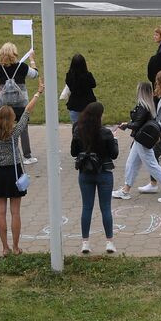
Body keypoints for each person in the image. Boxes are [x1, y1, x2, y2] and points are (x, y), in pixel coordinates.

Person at [0, 83, 43, 255]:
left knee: (0, 212)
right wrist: (38, 93)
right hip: (14, 172)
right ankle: (16, 247)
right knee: (15, 212)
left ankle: (4, 247)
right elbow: (27, 112)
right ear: (11, 119)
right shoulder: (15, 132)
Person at [71, 102, 119, 254]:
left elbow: (73, 152)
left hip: (85, 172)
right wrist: (115, 140)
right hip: (104, 172)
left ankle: (85, 242)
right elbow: (114, 154)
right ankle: (109, 242)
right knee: (106, 208)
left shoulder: (78, 131)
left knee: (87, 207)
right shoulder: (105, 133)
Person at [113, 81, 161, 203]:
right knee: (131, 163)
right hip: (141, 138)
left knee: (151, 164)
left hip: (142, 139)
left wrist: (126, 125)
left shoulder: (142, 106)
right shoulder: (148, 105)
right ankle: (125, 190)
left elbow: (137, 124)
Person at [0, 43, 39, 161]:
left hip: (3, 104)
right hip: (21, 105)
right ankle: (27, 156)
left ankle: (0, 152)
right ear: (15, 54)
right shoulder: (22, 66)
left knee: (2, 127)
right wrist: (32, 60)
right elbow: (35, 75)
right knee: (23, 129)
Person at [63, 53, 97, 126]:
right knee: (89, 129)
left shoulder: (69, 76)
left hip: (74, 105)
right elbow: (93, 85)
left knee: (76, 129)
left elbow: (69, 85)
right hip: (88, 104)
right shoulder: (87, 76)